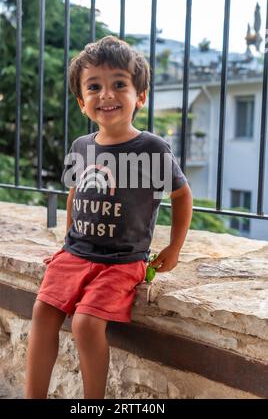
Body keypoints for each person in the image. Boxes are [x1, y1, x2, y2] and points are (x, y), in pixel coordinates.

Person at [25, 36, 193, 399]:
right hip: (75, 254)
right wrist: (68, 241)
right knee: (42, 312)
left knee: (86, 324)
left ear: (140, 96)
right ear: (82, 102)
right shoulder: (80, 147)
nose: (107, 95)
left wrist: (175, 248)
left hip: (121, 262)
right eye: (94, 87)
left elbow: (182, 195)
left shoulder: (151, 148)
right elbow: (75, 191)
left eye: (119, 84)